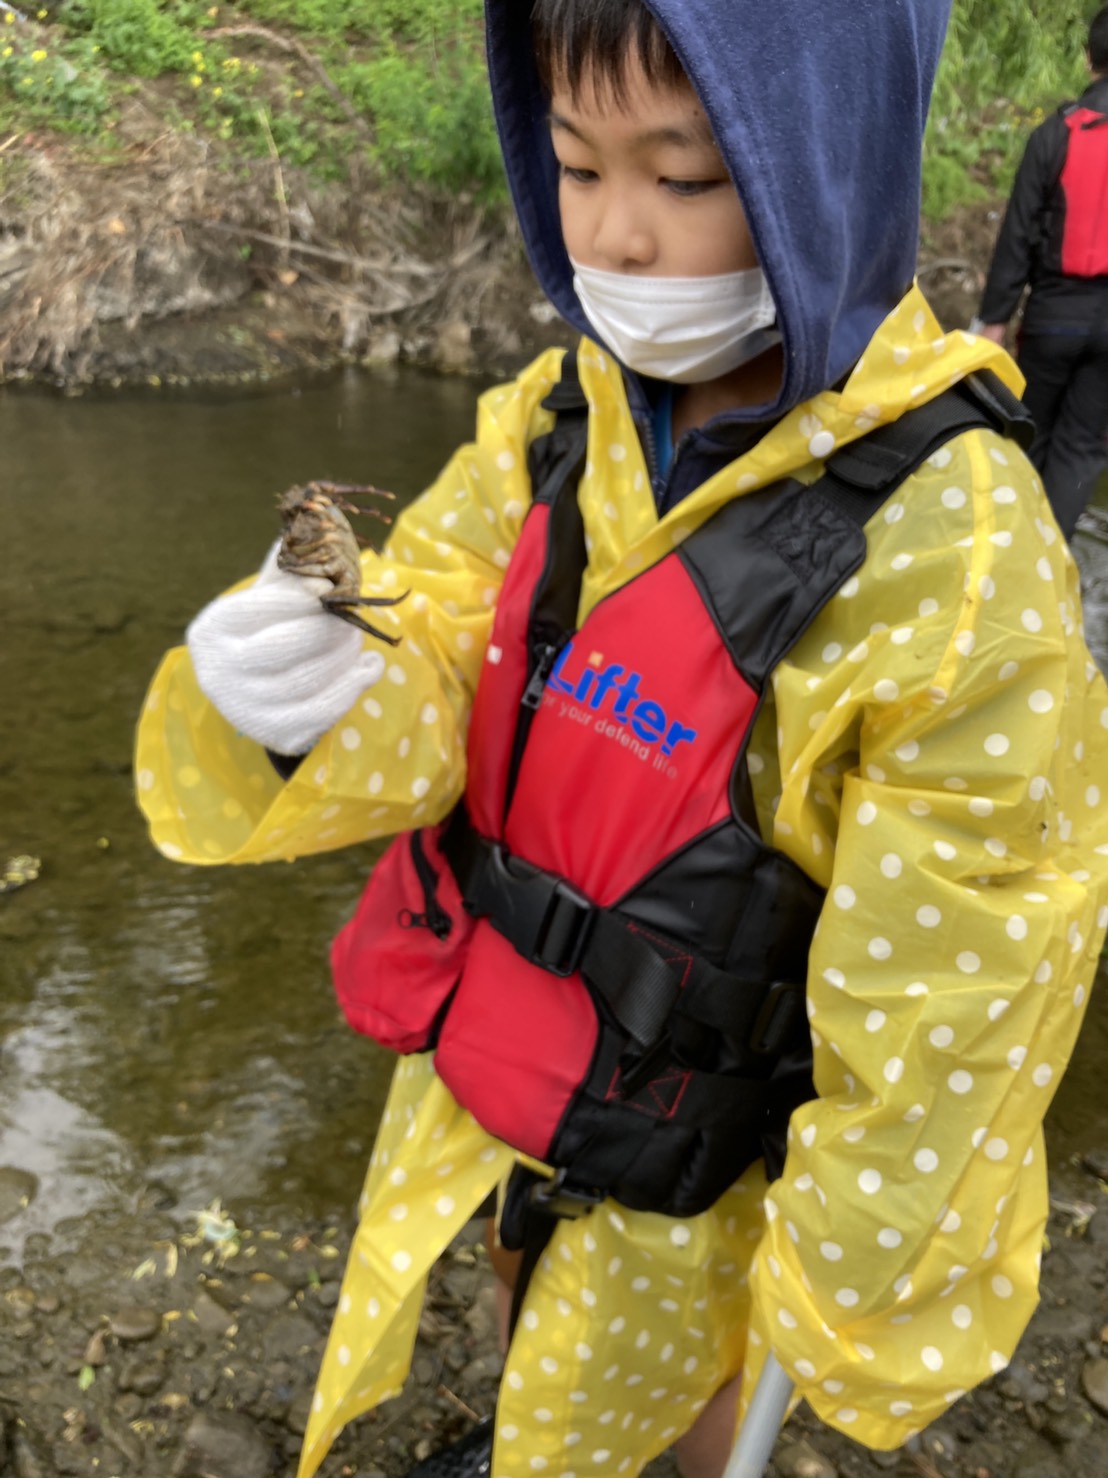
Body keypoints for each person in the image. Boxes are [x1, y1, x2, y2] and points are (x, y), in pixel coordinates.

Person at [135, 3, 1108, 1477]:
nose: (621, 239)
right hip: (519, 1054)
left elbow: (968, 971)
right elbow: (459, 624)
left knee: (684, 1386)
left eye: (687, 177)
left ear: (825, 172)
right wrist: (327, 684)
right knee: (525, 1277)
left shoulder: (955, 539)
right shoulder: (557, 413)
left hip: (710, 1142)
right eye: (578, 168)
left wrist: (853, 1271)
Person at [975, 5, 1108, 539]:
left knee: (1028, 435)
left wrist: (993, 319)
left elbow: (1019, 234)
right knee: (1082, 449)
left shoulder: (1056, 134)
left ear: (1087, 57)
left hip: (1053, 317)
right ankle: (1051, 563)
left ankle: (1010, 555)